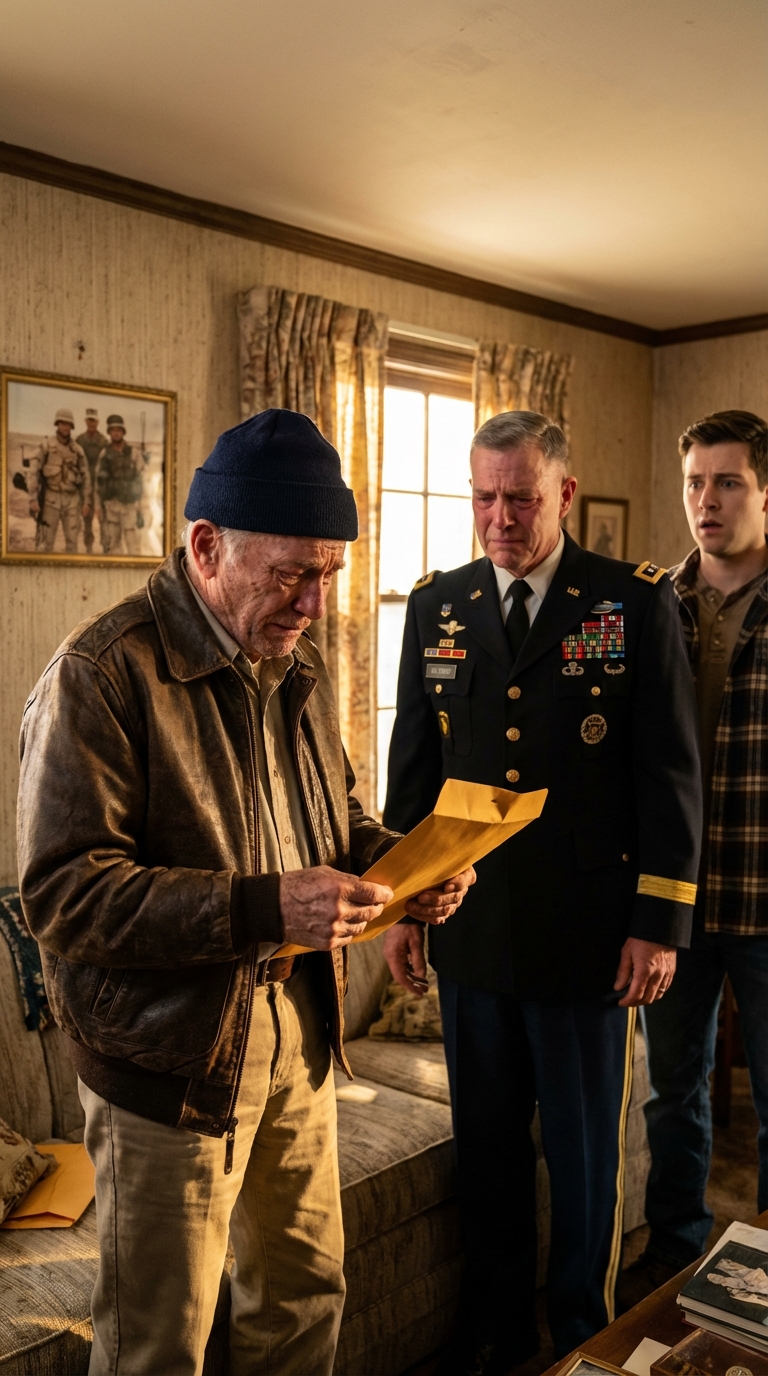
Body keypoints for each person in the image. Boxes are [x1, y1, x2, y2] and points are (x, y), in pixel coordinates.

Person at [17, 408, 474, 1376]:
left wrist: (408, 862)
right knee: (157, 1347)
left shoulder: (295, 663)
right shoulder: (100, 674)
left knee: (304, 1302)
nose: (314, 604)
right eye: (292, 575)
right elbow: (64, 896)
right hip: (169, 1067)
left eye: (329, 575)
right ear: (206, 547)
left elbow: (336, 819)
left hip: (300, 1041)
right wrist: (265, 908)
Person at [383, 410, 702, 1373]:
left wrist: (658, 923)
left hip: (588, 937)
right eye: (484, 497)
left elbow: (668, 774)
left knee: (584, 1158)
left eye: (520, 498)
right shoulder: (437, 604)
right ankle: (495, 1334)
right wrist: (400, 905)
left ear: (562, 493)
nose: (500, 518)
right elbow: (415, 775)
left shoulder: (632, 601)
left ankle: (581, 1339)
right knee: (486, 1151)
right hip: (472, 931)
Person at [623, 410, 768, 1305]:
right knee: (672, 1094)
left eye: (729, 483)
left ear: (766, 493)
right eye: (694, 483)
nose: (706, 501)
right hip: (670, 902)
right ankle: (674, 1256)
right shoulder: (651, 604)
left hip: (765, 897)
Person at [27, 407, 91, 554]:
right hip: (51, 499)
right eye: (62, 423)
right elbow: (33, 471)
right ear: (57, 424)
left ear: (72, 426)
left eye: (68, 424)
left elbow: (86, 476)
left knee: (72, 543)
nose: (65, 427)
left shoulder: (77, 450)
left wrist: (86, 501)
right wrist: (33, 498)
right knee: (46, 543)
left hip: (72, 501)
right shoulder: (46, 445)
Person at [94, 413, 147, 554]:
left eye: (118, 430)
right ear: (109, 433)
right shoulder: (104, 454)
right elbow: (98, 482)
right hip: (111, 505)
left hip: (129, 505)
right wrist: (98, 505)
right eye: (113, 430)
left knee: (133, 544)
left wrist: (141, 505)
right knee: (113, 545)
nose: (116, 433)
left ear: (123, 432)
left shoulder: (133, 453)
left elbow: (141, 479)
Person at [76, 408, 107, 554]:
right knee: (87, 520)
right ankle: (88, 548)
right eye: (89, 420)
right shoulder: (80, 440)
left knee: (103, 520)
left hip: (100, 486)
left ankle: (105, 549)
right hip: (85, 486)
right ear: (86, 422)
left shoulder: (103, 441)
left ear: (97, 422)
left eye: (94, 421)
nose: (91, 423)